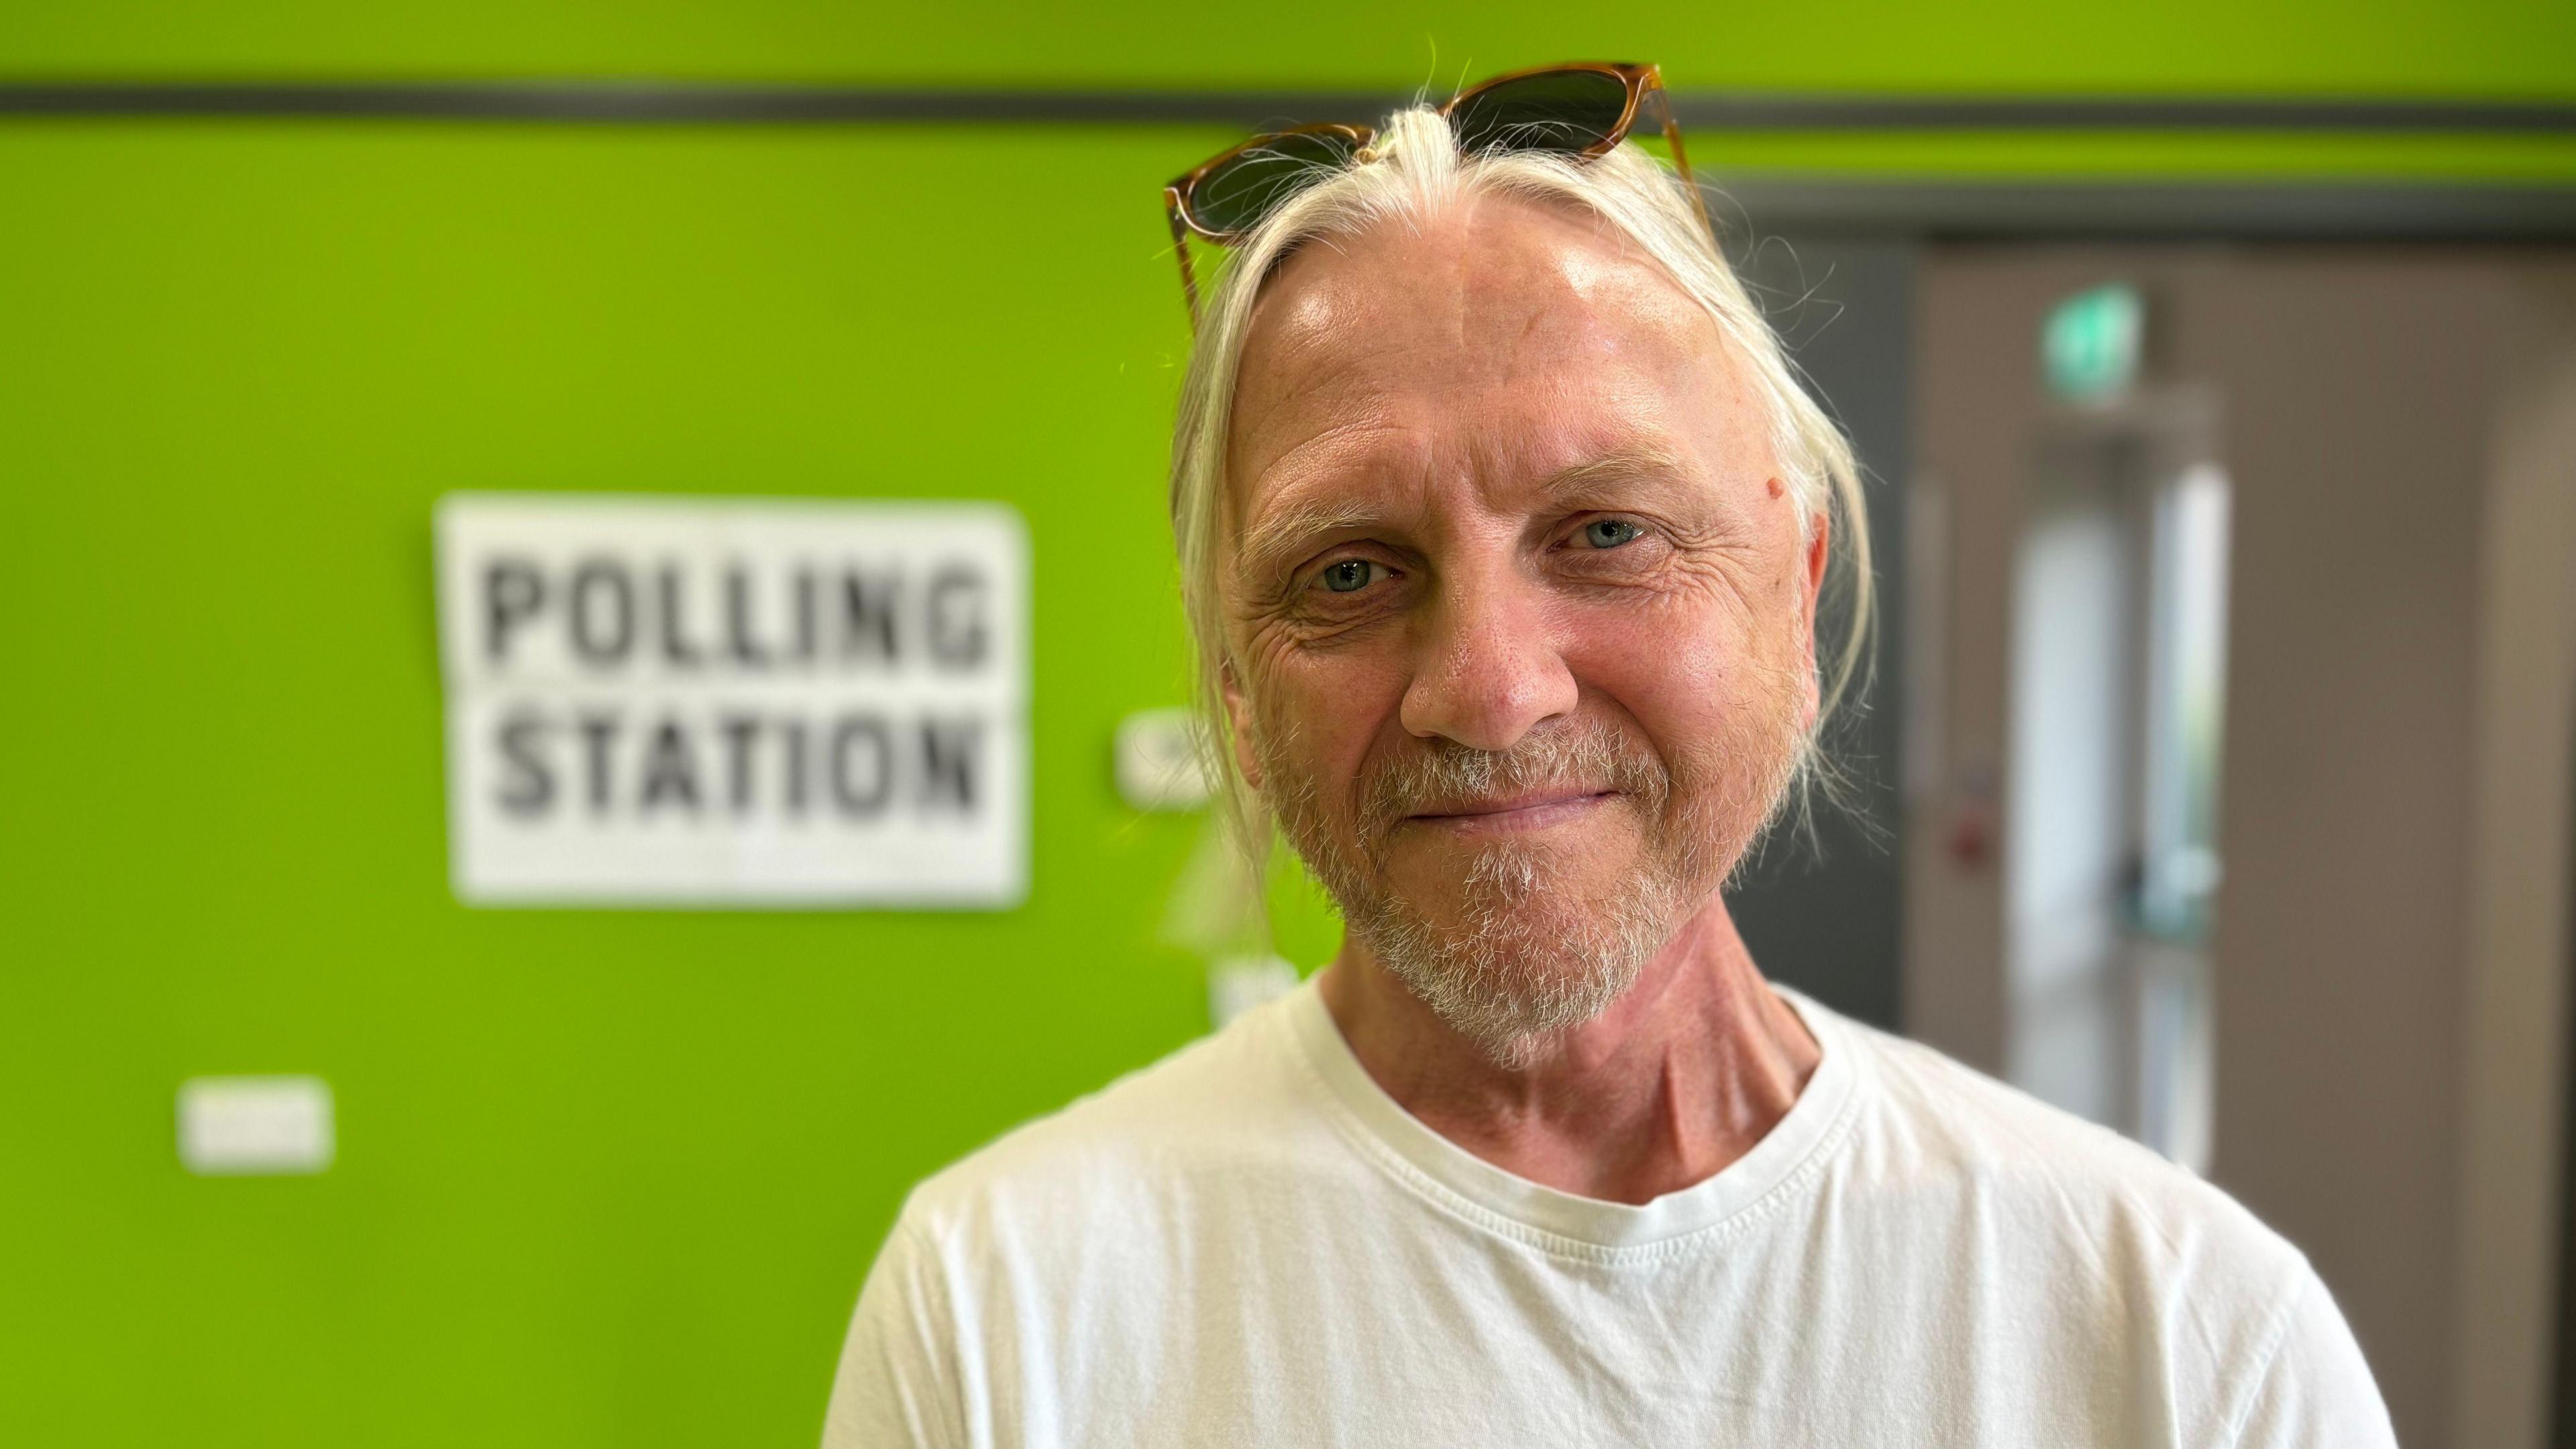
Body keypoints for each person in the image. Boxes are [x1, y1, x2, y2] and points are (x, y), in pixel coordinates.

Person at [824, 64, 2396, 1447]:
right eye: (1351, 572)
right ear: (1237, 685)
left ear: (1797, 579)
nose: (1492, 693)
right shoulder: (1005, 1310)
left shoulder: (2180, 1337)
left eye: (1607, 532)